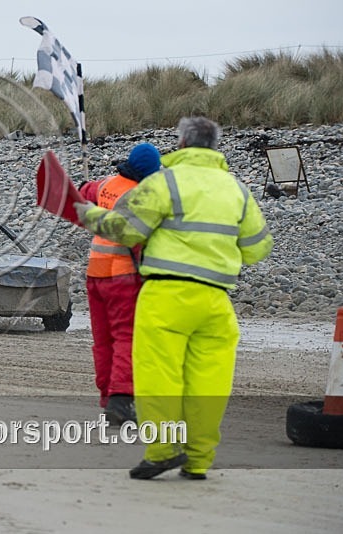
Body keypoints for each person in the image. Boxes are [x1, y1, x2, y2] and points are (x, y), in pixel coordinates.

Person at [74, 117, 273, 480]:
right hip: (216, 301)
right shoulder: (237, 190)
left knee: (159, 376)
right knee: (208, 383)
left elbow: (126, 228)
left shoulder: (166, 182)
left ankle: (164, 451)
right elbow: (258, 248)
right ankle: (198, 461)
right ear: (215, 146)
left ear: (181, 143)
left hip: (165, 295)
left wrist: (90, 216)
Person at [78, 143, 161, 425]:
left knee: (102, 340)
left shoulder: (107, 185)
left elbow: (83, 192)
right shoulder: (141, 195)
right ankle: (121, 399)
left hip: (95, 273)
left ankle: (106, 397)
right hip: (122, 275)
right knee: (126, 337)